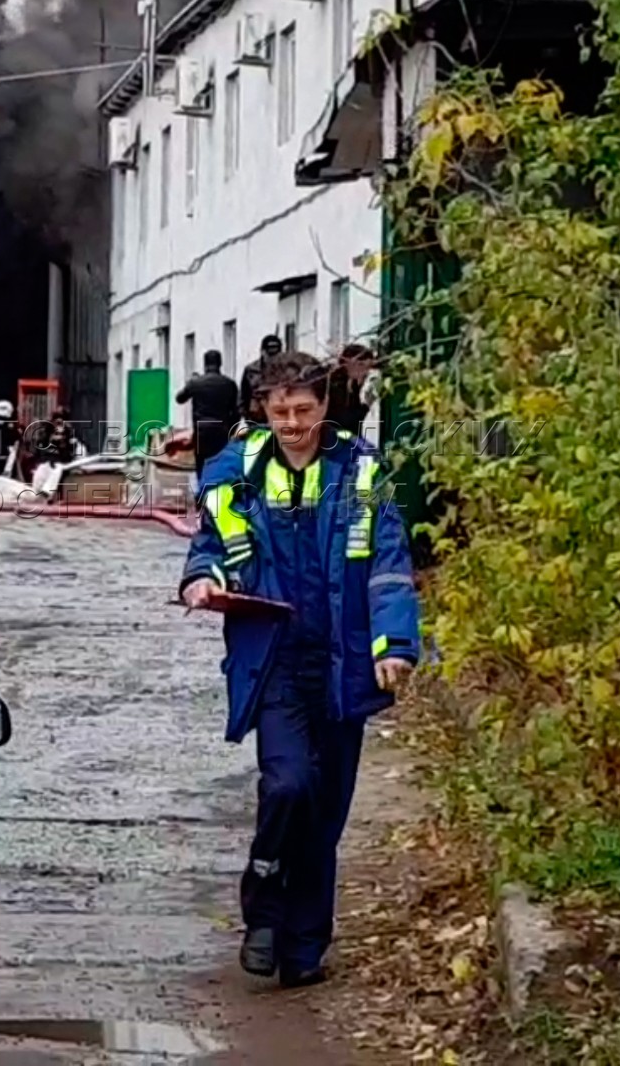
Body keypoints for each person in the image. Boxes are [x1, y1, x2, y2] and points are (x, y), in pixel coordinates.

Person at [179, 351, 421, 989]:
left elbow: (390, 561)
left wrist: (395, 643)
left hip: (343, 666)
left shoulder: (363, 471)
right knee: (287, 785)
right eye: (279, 410)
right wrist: (201, 582)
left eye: (303, 410)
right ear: (262, 408)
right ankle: (263, 911)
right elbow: (207, 547)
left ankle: (305, 947)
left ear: (324, 406)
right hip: (276, 660)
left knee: (325, 812)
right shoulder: (237, 470)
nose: (291, 423)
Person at [176, 349, 242, 468]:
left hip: (201, 431)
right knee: (220, 465)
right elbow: (237, 411)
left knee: (202, 466)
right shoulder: (229, 384)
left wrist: (189, 385)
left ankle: (203, 485)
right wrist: (231, 430)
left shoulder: (196, 383)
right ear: (220, 363)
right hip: (222, 430)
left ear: (205, 364)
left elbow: (179, 399)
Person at [325, 343, 377, 441]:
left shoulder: (352, 383)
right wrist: (365, 407)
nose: (365, 371)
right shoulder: (334, 384)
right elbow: (344, 420)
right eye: (361, 365)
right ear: (349, 363)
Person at [239, 334, 284, 428]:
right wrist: (247, 418)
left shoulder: (287, 370)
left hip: (280, 420)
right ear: (262, 352)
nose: (273, 358)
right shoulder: (251, 370)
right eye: (270, 354)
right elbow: (243, 396)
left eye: (276, 354)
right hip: (256, 421)